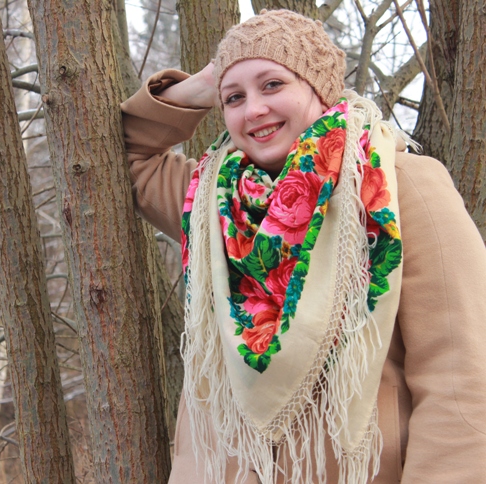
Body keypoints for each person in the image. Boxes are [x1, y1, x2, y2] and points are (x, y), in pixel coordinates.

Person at [121, 9, 486, 484]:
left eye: (273, 85)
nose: (254, 110)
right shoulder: (210, 203)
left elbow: (459, 377)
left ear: (319, 88)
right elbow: (131, 152)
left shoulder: (403, 187)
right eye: (234, 98)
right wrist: (205, 83)